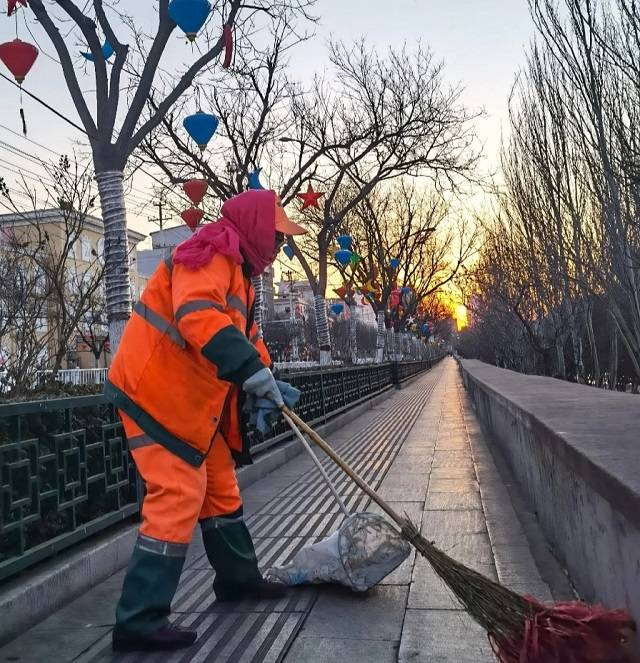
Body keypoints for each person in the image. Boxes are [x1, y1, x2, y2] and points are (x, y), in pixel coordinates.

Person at [104, 189, 307, 652]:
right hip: (153, 393)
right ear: (255, 227)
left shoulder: (242, 274)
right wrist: (251, 372)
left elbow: (246, 337)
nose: (278, 246)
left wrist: (266, 378)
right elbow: (198, 316)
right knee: (179, 492)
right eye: (275, 236)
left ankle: (237, 579)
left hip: (192, 402)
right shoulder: (213, 249)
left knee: (219, 484)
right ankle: (138, 618)